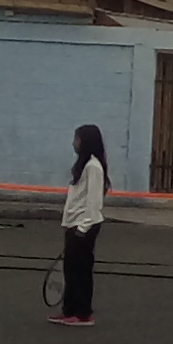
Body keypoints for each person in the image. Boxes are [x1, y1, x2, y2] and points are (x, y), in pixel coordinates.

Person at [56, 123, 108, 327]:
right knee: (70, 269)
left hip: (84, 227)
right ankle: (69, 310)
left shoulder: (93, 167)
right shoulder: (84, 166)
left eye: (76, 139)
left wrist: (82, 228)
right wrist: (68, 223)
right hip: (74, 225)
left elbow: (94, 202)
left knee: (81, 270)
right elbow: (75, 199)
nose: (73, 143)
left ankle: (83, 313)